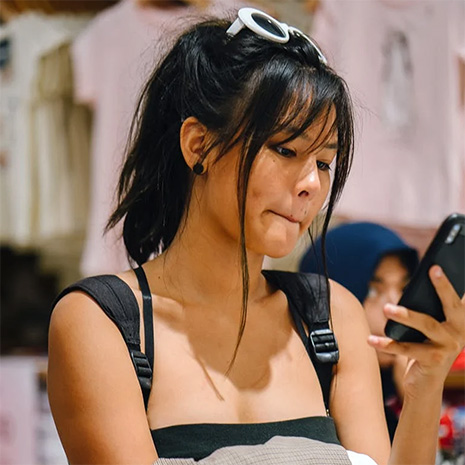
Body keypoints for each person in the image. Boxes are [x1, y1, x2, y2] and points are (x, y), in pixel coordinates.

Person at [47, 7, 465, 465]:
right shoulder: (103, 323)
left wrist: (426, 382)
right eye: (285, 149)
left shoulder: (331, 318)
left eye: (324, 162)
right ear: (199, 145)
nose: (311, 184)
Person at [299, 221, 420, 441]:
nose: (395, 308)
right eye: (373, 290)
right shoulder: (302, 405)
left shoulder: (400, 388)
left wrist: (416, 401)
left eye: (404, 288)